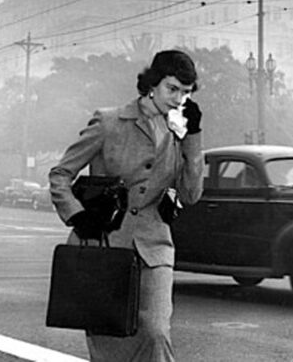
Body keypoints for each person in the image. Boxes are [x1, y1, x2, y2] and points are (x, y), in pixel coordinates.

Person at [49, 50, 204, 362]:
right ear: (152, 84)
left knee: (157, 332)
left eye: (185, 93)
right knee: (109, 341)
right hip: (104, 244)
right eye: (171, 89)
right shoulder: (109, 122)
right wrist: (77, 215)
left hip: (155, 246)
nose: (177, 99)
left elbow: (190, 195)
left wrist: (194, 139)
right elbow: (60, 174)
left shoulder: (179, 132)